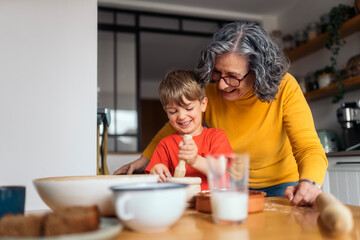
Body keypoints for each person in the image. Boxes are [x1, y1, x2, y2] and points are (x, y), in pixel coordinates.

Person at [114, 22, 328, 206]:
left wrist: (309, 183)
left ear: (259, 71)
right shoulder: (210, 92)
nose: (223, 85)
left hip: (281, 184)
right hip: (229, 185)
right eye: (218, 72)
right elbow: (175, 125)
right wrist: (142, 161)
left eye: (233, 76)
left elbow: (308, 147)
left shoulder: (285, 88)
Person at [144, 69, 233, 190]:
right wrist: (156, 172)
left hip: (210, 203)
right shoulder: (165, 145)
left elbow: (220, 171)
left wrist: (195, 160)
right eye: (173, 111)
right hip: (179, 204)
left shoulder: (216, 137)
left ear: (203, 104)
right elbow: (153, 181)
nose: (181, 116)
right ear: (166, 112)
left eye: (189, 108)